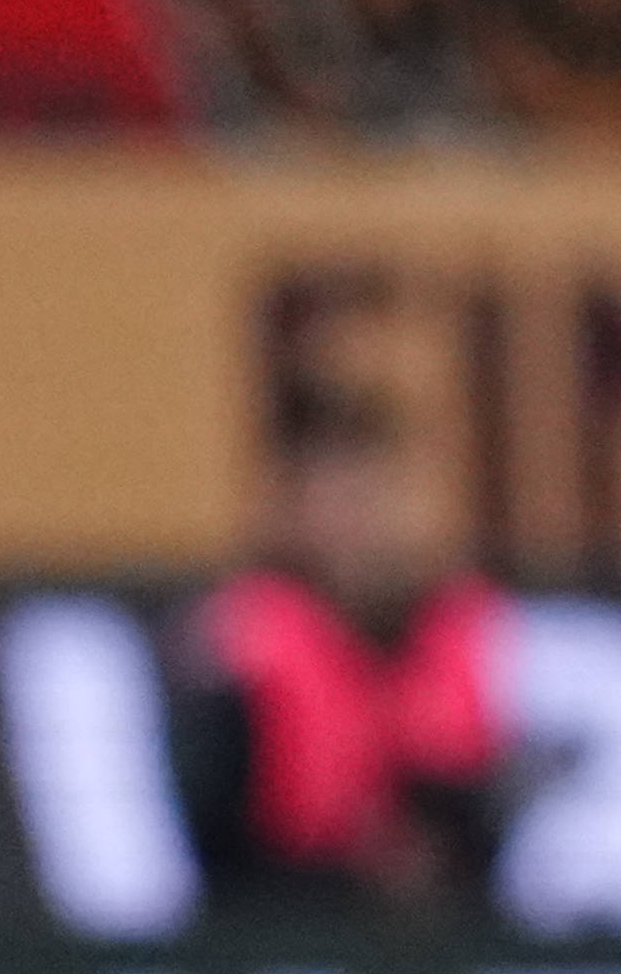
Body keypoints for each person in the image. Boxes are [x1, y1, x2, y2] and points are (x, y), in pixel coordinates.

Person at [169, 392, 509, 918]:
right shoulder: (241, 644)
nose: (353, 525)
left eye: (367, 498)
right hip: (284, 927)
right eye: (331, 500)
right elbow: (211, 838)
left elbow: (479, 819)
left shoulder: (453, 632)